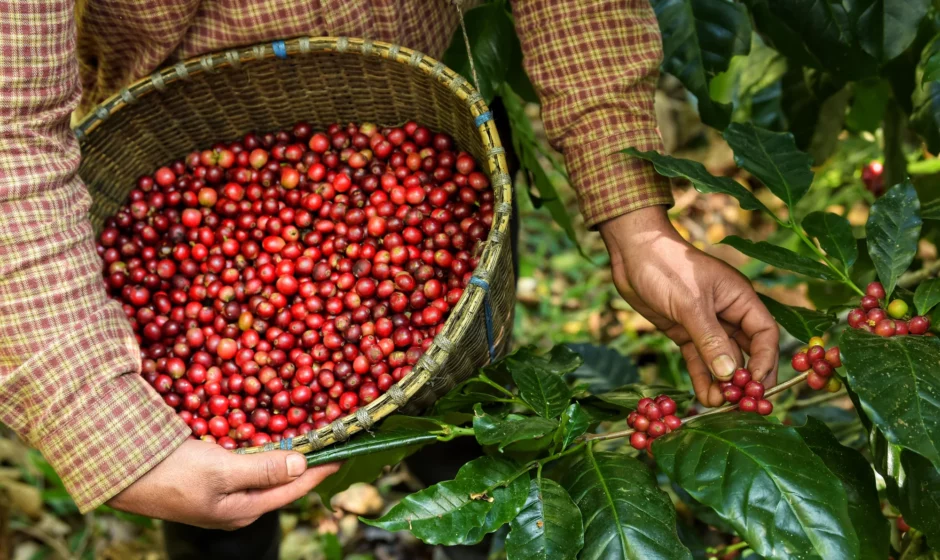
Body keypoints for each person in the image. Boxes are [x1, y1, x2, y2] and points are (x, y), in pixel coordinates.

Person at [0, 0, 779, 557]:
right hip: (167, 114)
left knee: (474, 433)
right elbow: (10, 129)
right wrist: (108, 428)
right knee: (213, 500)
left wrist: (636, 219)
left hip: (420, 95)